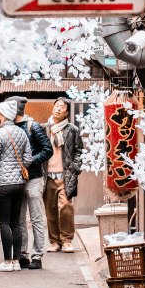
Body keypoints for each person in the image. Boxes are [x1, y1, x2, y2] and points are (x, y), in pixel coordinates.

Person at [5, 96, 52, 270]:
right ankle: (22, 254)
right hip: (17, 179)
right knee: (19, 219)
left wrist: (29, 161)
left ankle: (37, 255)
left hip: (33, 178)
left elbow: (48, 150)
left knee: (36, 218)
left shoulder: (33, 126)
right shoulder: (8, 127)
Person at [0, 99, 33, 272]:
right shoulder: (21, 133)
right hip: (20, 184)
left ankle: (7, 262)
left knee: (4, 222)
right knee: (16, 223)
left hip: (3, 185)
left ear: (4, 114)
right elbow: (28, 159)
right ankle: (15, 262)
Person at [44, 98, 83, 252]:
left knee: (66, 207)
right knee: (50, 209)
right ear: (52, 108)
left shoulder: (72, 129)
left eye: (62, 107)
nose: (58, 109)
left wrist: (75, 167)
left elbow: (79, 150)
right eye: (56, 106)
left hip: (65, 174)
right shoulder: (44, 128)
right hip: (47, 176)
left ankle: (67, 240)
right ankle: (54, 241)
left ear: (67, 112)